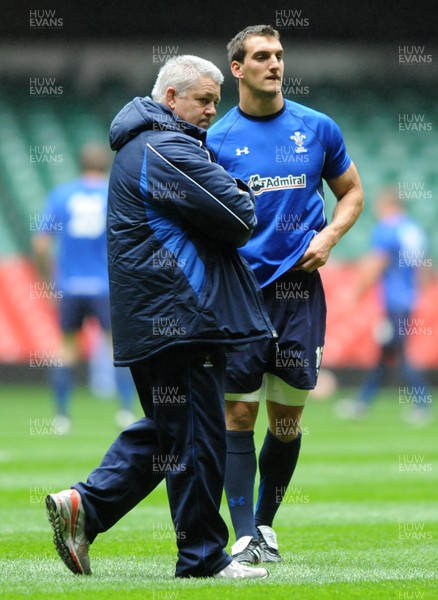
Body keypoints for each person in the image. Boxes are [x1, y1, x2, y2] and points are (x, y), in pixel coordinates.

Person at [45, 55, 274, 579]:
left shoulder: (144, 146)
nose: (213, 111)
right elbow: (239, 216)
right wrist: (241, 192)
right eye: (204, 100)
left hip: (159, 316)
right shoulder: (164, 147)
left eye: (217, 101)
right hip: (181, 316)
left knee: (175, 432)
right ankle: (201, 559)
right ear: (171, 98)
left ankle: (86, 507)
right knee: (196, 437)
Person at [205, 24, 364, 563]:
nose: (274, 64)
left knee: (287, 421)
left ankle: (265, 526)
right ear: (237, 68)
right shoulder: (217, 140)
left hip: (300, 293)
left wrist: (330, 234)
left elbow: (352, 193)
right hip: (241, 293)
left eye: (279, 55)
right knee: (238, 418)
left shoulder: (317, 129)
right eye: (261, 57)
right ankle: (244, 533)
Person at [32, 143, 136, 433]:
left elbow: (40, 244)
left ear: (80, 164)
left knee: (66, 350)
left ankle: (62, 417)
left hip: (70, 286)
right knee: (118, 350)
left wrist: (48, 281)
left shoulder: (62, 194)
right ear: (105, 165)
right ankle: (126, 412)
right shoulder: (114, 194)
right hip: (105, 286)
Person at [336, 187, 432, 425]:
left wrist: (355, 294)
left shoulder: (388, 228)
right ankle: (362, 401)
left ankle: (422, 404)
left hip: (394, 302)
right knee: (387, 352)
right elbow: (425, 271)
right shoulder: (414, 230)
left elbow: (376, 263)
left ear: (388, 205)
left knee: (398, 352)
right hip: (408, 300)